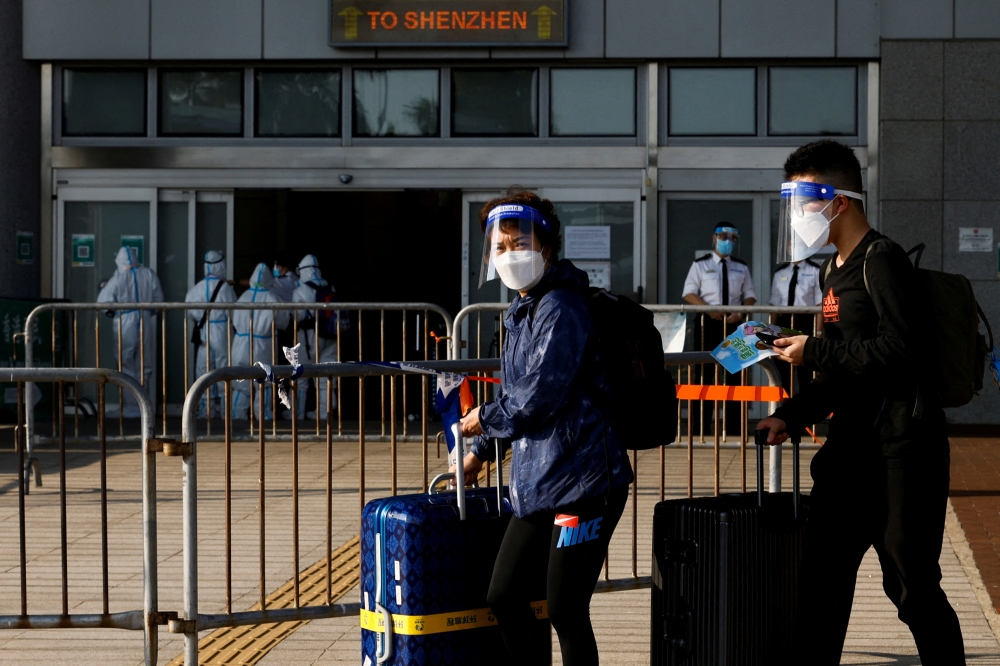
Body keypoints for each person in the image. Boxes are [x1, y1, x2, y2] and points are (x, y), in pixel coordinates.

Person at [757, 140, 965, 664]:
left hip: (901, 453)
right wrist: (791, 414)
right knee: (821, 583)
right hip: (850, 450)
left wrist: (817, 348)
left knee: (911, 587)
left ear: (839, 200)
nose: (799, 216)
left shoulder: (881, 258)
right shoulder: (833, 272)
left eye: (804, 202)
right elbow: (841, 371)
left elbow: (902, 348)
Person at [453, 190, 633, 666]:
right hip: (539, 481)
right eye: (501, 246)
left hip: (586, 483)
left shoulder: (562, 308)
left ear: (548, 247)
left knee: (566, 607)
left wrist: (482, 420)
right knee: (505, 595)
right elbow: (518, 393)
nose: (510, 254)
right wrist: (482, 454)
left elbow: (538, 397)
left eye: (520, 243)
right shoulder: (522, 310)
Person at [681, 224, 756, 435]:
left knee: (735, 376)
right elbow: (689, 293)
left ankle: (733, 429)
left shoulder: (741, 267)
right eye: (724, 236)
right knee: (704, 375)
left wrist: (741, 312)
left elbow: (750, 294)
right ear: (714, 238)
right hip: (708, 324)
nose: (728, 241)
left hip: (734, 324)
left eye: (733, 238)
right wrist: (709, 310)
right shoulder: (700, 265)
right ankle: (700, 428)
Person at [97, 246, 164, 417]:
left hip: (124, 320)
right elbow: (159, 300)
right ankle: (143, 406)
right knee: (145, 363)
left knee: (125, 363)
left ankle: (131, 406)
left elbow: (103, 301)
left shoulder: (118, 278)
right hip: (145, 319)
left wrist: (112, 312)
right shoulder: (149, 274)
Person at [230, 263, 290, 420]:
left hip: (240, 343)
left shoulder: (243, 297)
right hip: (263, 344)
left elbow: (234, 320)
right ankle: (264, 417)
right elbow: (284, 322)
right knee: (265, 382)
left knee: (241, 384)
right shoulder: (273, 298)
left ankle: (237, 417)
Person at [184, 250, 236, 417]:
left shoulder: (196, 288)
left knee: (204, 371)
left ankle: (207, 411)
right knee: (224, 370)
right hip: (222, 331)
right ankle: (226, 410)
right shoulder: (226, 288)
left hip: (204, 332)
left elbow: (189, 312)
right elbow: (234, 312)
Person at [291, 254, 343, 419]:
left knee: (302, 376)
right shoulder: (330, 287)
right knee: (327, 374)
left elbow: (297, 317)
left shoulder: (300, 290)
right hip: (331, 335)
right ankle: (324, 412)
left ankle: (297, 413)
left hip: (308, 337)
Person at [768, 258, 823, 396]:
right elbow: (774, 304)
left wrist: (819, 331)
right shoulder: (780, 272)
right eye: (791, 243)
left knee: (806, 371)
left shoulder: (815, 270)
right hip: (784, 322)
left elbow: (819, 305)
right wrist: (769, 330)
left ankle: (806, 412)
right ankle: (784, 411)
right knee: (782, 371)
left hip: (806, 321)